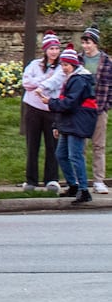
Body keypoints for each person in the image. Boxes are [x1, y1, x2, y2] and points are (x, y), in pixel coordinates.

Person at [48, 44, 99, 205]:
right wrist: (56, 124)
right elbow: (64, 103)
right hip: (69, 122)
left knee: (75, 156)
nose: (63, 68)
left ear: (74, 65)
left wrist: (49, 102)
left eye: (66, 65)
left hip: (78, 122)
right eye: (62, 65)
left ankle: (84, 190)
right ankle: (73, 185)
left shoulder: (79, 80)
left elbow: (69, 103)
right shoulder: (71, 78)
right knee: (61, 155)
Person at [20, 31, 65, 190]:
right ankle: (31, 180)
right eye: (51, 48)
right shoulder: (34, 65)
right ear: (45, 50)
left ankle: (51, 179)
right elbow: (26, 82)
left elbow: (55, 83)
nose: (54, 51)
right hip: (32, 108)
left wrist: (38, 84)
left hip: (51, 109)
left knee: (52, 145)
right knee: (32, 145)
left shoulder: (61, 67)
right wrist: (42, 80)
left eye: (56, 48)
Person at [82, 27, 112, 194]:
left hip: (99, 108)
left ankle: (99, 180)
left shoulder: (106, 61)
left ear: (95, 43)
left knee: (99, 145)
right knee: (81, 146)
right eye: (84, 42)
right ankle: (82, 179)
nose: (85, 45)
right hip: (82, 109)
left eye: (88, 42)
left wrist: (107, 104)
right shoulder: (78, 60)